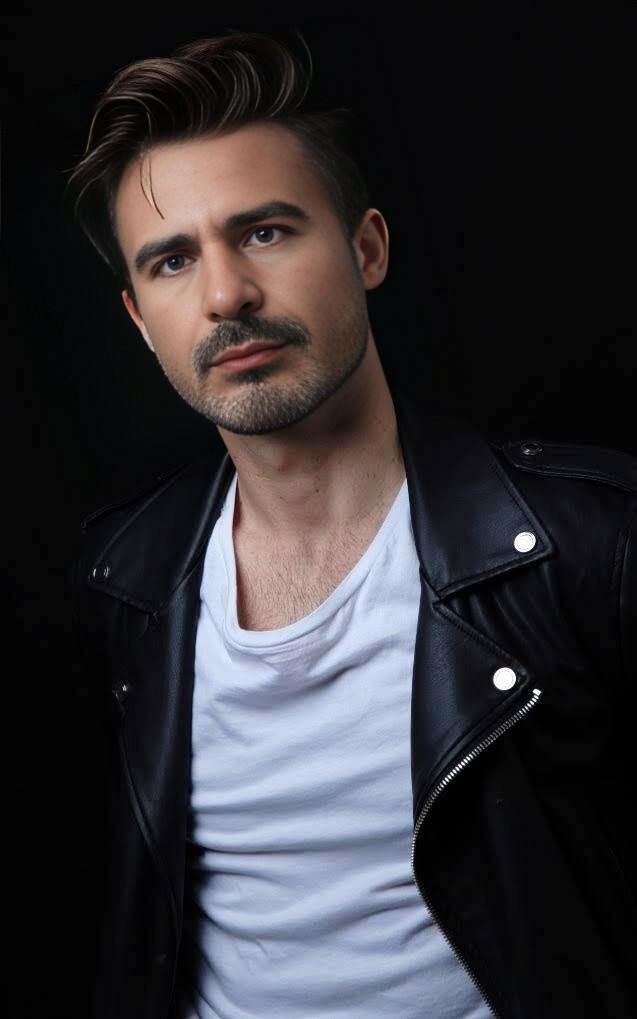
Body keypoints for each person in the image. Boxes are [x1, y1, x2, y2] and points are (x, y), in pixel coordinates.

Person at [67, 30, 636, 1019]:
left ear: (366, 248)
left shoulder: (589, 542)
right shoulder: (124, 582)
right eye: (172, 260)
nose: (225, 295)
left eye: (264, 232)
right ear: (139, 318)